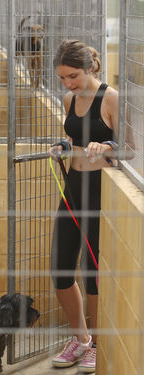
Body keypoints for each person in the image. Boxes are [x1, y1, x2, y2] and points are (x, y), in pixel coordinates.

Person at [48, 39, 132, 373]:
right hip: (72, 187)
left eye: (73, 76)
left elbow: (129, 148)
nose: (68, 84)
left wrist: (108, 143)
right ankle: (80, 339)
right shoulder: (70, 98)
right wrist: (63, 145)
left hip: (100, 193)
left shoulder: (110, 98)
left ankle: (97, 345)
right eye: (63, 78)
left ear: (89, 68)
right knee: (60, 269)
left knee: (94, 274)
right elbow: (74, 137)